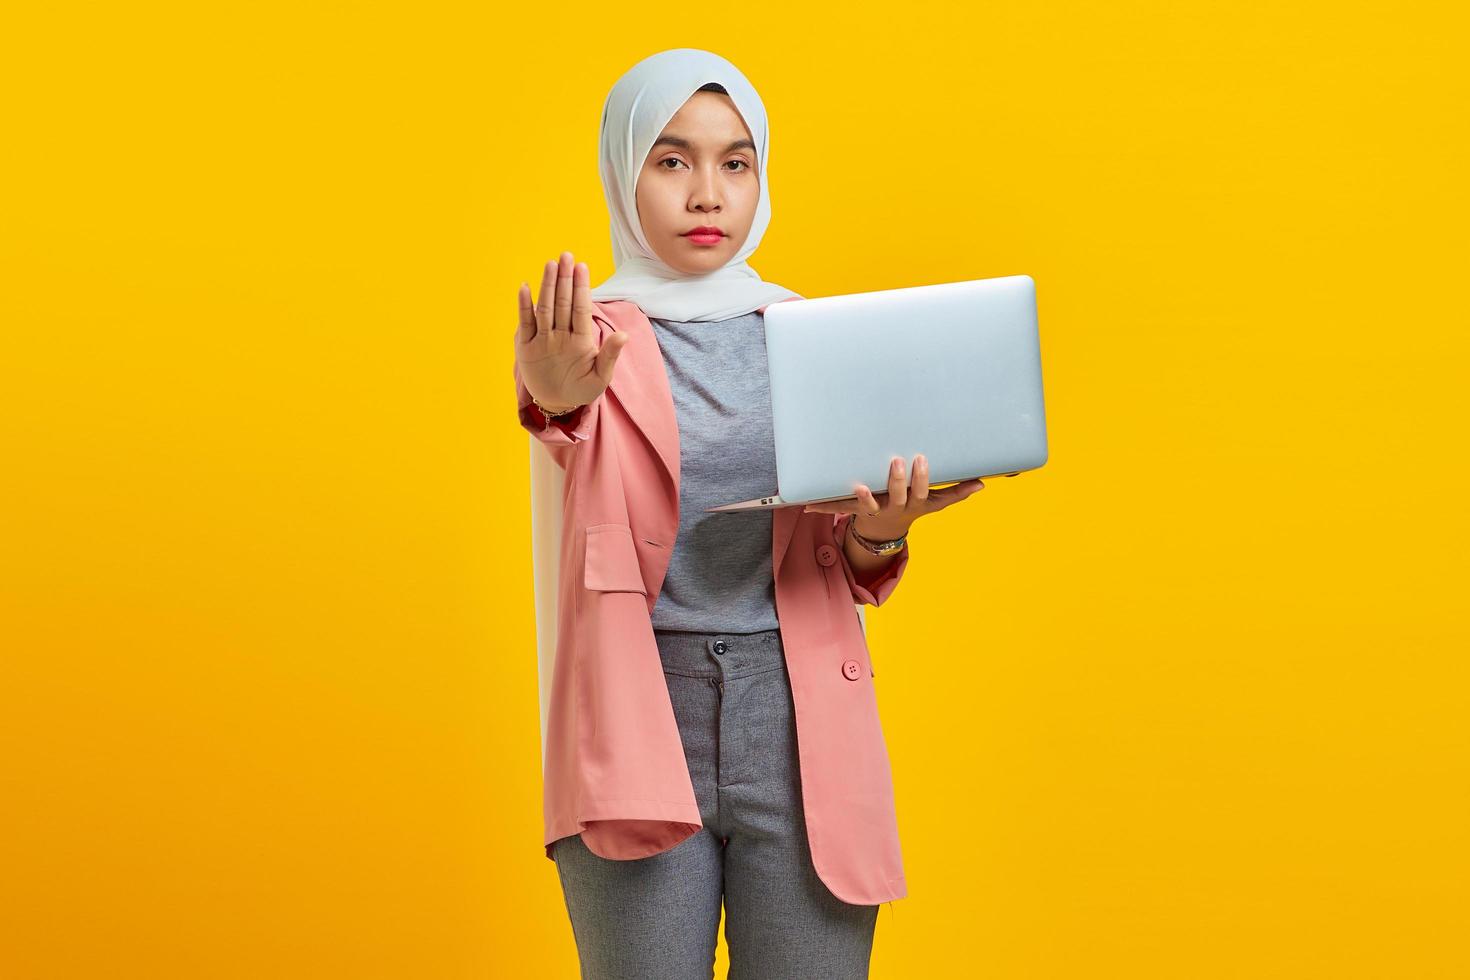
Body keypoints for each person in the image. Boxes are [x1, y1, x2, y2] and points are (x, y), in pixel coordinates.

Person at [512, 48, 985, 979]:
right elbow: (561, 428)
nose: (706, 195)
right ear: (623, 169)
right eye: (672, 159)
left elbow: (836, 559)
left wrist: (883, 531)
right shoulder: (584, 340)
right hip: (638, 710)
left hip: (798, 714)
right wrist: (553, 396)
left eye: (735, 163)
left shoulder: (808, 334)